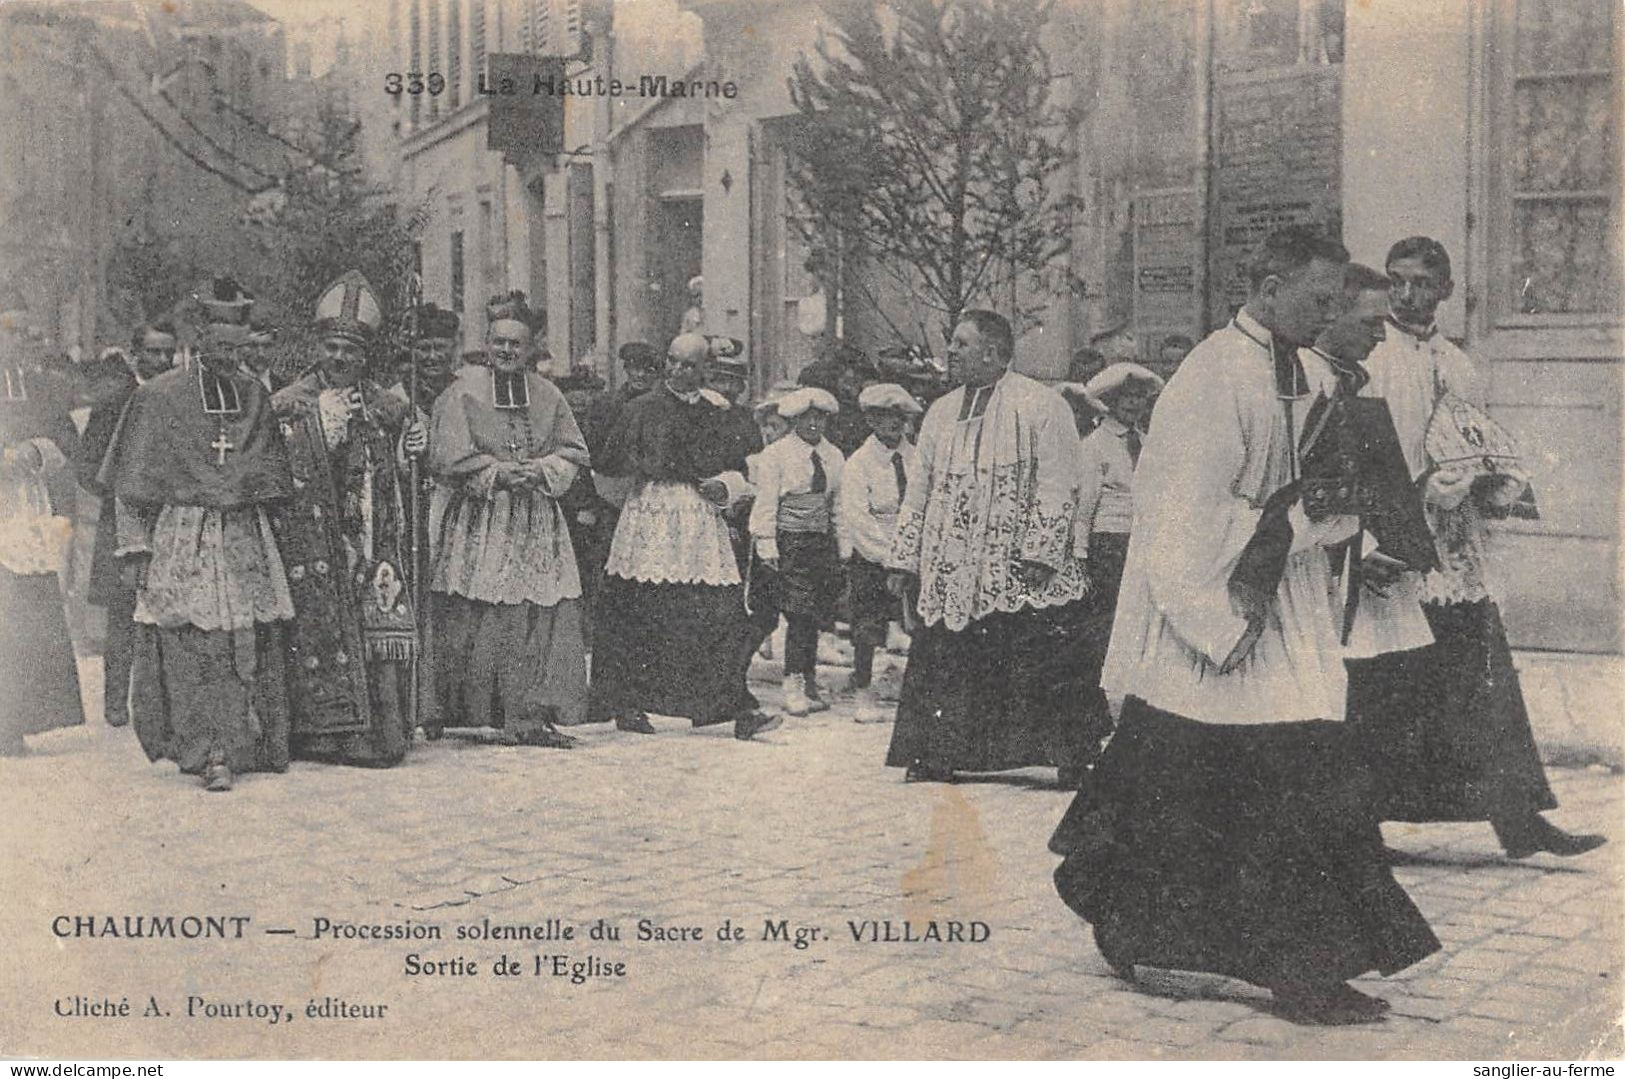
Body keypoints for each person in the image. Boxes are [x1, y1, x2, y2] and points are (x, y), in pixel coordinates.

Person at [1049, 226, 1439, 1025]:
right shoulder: (1211, 374)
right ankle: (1295, 968)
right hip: (1223, 612)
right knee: (1273, 782)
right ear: (1267, 288)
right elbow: (1183, 515)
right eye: (1318, 299)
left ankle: (1165, 931)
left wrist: (1335, 509)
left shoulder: (1292, 367)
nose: (1330, 313)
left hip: (1275, 601)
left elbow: (1292, 492)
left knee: (1215, 787)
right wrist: (1297, 516)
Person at [1346, 236, 1605, 859]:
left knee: (1481, 678)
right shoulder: (1369, 356)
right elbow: (1359, 453)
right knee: (1383, 683)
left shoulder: (1459, 364)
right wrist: (1378, 530)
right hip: (1393, 539)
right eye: (1396, 281)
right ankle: (1361, 829)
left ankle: (1519, 822)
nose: (1406, 295)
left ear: (1446, 291)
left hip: (1455, 544)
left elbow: (1476, 438)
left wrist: (1489, 481)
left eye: (1420, 283)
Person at [97, 279, 295, 789]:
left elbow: (272, 474)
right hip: (183, 532)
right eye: (221, 347)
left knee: (240, 642)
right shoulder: (160, 398)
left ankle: (241, 741)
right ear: (201, 339)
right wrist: (135, 544)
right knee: (189, 643)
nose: (231, 358)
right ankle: (205, 750)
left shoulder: (255, 396)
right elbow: (132, 483)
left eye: (239, 348)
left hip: (242, 532)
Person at [884, 310, 1093, 785]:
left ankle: (1068, 756)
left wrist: (1041, 550)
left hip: (1019, 563)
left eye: (960, 343)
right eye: (951, 343)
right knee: (949, 653)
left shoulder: (1042, 405)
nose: (950, 351)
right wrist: (904, 556)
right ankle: (938, 753)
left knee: (1037, 654)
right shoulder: (939, 412)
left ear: (994, 353)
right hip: (953, 563)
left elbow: (1060, 482)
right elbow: (920, 488)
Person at [589, 333, 778, 740]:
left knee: (717, 612)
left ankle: (730, 707)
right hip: (652, 517)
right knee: (641, 609)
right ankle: (629, 704)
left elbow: (742, 469)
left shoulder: (718, 414)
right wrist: (631, 502)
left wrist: (725, 486)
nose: (677, 370)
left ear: (705, 369)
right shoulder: (641, 410)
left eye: (688, 365)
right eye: (672, 361)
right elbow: (608, 467)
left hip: (700, 519)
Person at [272, 270, 426, 767]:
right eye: (333, 348)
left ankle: (378, 731)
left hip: (372, 536)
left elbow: (405, 474)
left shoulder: (388, 405)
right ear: (319, 348)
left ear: (365, 356)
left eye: (351, 351)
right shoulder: (291, 403)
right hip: (315, 540)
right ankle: (322, 733)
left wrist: (411, 447)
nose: (340, 359)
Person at [426, 293, 590, 748]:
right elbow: (446, 457)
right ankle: (472, 709)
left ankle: (530, 711)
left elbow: (574, 451)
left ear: (531, 347)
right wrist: (496, 473)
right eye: (498, 342)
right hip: (483, 516)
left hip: (535, 514)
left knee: (536, 610)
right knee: (476, 608)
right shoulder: (462, 392)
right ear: (486, 343)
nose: (506, 352)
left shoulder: (548, 394)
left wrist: (541, 470)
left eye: (515, 344)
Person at [77, 325, 177, 728]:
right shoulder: (116, 399)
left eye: (168, 353)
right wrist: (122, 489)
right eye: (153, 353)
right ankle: (116, 702)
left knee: (167, 609)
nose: (162, 361)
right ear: (135, 355)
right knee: (122, 615)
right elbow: (87, 465)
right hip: (122, 516)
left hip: (167, 515)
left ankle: (161, 702)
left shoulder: (175, 396)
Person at [0, 301, 84, 756]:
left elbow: (68, 441)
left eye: (17, 333)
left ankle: (18, 721)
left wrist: (36, 451)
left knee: (26, 617)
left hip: (24, 508)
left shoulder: (38, 385)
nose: (11, 343)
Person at [1072, 361, 1163, 764]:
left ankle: (1136, 718)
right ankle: (1096, 718)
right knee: (1103, 630)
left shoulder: (1150, 442)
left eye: (1140, 398)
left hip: (1144, 545)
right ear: (1107, 402)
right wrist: (1079, 556)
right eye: (1125, 398)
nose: (1133, 405)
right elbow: (1083, 508)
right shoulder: (1094, 447)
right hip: (1108, 545)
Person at [749, 386, 844, 717]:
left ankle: (809, 680)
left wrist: (841, 545)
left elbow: (837, 505)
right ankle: (792, 682)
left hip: (820, 541)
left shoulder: (834, 456)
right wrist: (766, 543)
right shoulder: (776, 454)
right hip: (788, 540)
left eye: (820, 417)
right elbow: (766, 502)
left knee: (815, 612)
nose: (814, 424)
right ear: (793, 420)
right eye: (807, 417)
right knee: (797, 612)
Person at [835, 382, 920, 716]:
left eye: (899, 416)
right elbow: (858, 519)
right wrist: (889, 559)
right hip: (874, 555)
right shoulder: (859, 463)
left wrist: (910, 555)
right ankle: (864, 691)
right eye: (884, 417)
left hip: (912, 553)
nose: (893, 423)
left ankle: (912, 691)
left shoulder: (916, 459)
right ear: (870, 420)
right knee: (867, 626)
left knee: (917, 624)